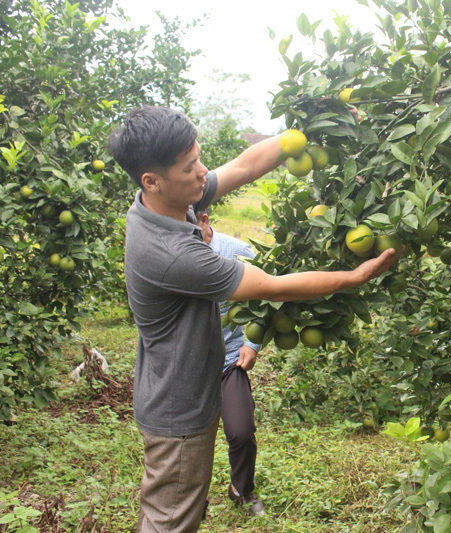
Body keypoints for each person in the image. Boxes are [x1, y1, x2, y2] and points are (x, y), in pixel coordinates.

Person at [107, 105, 401, 533]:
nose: (203, 172)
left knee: (180, 510)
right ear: (151, 180)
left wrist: (307, 128)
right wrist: (353, 277)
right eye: (191, 166)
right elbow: (269, 285)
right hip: (179, 410)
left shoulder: (166, 201)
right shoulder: (172, 255)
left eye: (199, 158)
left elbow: (243, 166)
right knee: (169, 522)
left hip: (188, 389)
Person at [195, 210, 265, 516]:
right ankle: (191, 499)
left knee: (240, 431)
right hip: (188, 366)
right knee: (189, 440)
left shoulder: (238, 252)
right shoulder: (172, 255)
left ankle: (242, 489)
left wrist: (252, 344)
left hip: (229, 361)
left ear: (204, 220)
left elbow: (265, 300)